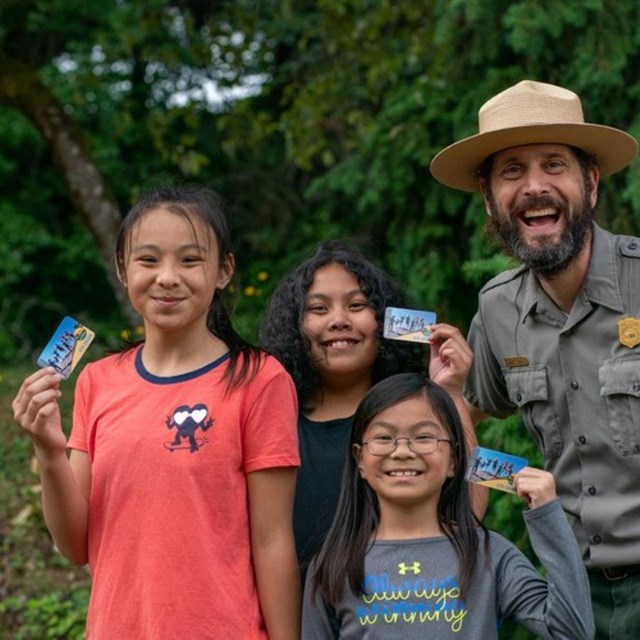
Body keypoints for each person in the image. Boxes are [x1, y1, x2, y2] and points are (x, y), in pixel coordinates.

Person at [12, 185, 301, 639]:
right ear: (123, 270)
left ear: (224, 270)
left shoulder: (259, 380)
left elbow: (272, 540)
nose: (168, 277)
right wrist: (49, 452)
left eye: (189, 260)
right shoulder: (96, 381)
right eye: (148, 260)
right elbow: (74, 544)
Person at [430, 79, 640, 638]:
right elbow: (471, 418)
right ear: (488, 196)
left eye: (554, 165)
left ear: (590, 183)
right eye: (512, 171)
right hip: (570, 595)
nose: (535, 187)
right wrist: (446, 399)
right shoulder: (497, 310)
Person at [302, 372, 594, 639]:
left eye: (424, 437)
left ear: (454, 460)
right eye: (383, 438)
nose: (403, 451)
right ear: (360, 460)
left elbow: (571, 631)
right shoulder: (332, 564)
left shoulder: (489, 553)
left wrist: (547, 516)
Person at [259, 240, 480, 575]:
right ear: (295, 327)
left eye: (357, 305)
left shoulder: (415, 409)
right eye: (319, 309)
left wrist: (450, 393)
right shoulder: (274, 418)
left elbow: (472, 508)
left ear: (385, 322)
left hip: (390, 611)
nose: (339, 320)